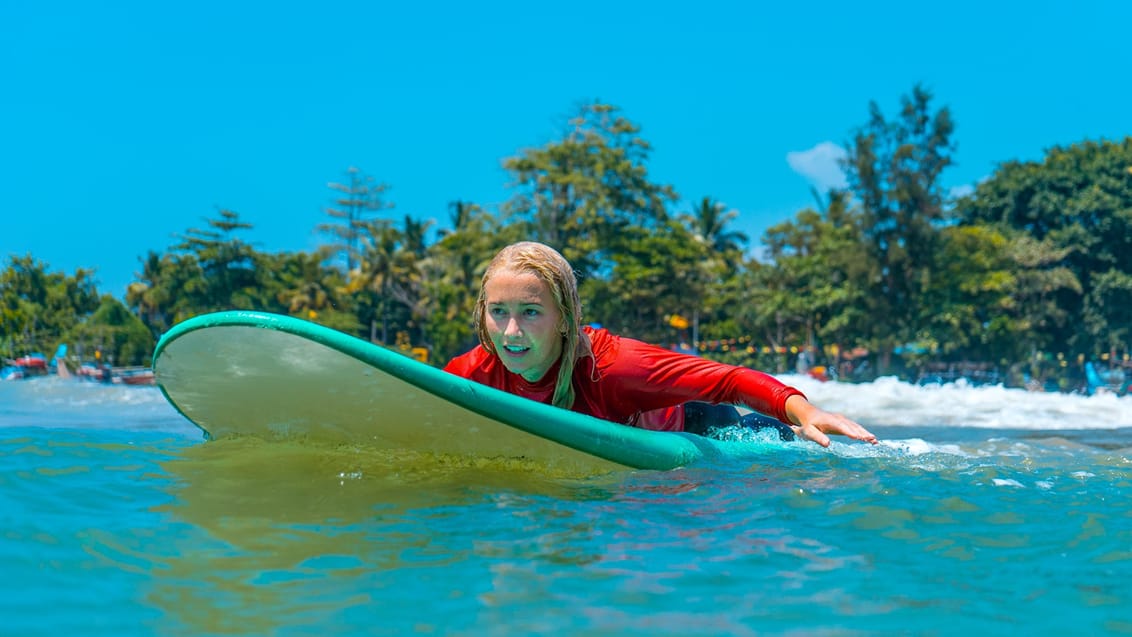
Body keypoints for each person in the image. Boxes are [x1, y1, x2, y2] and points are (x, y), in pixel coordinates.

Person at [443, 242, 878, 447]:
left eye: (531, 312)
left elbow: (727, 380)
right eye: (498, 311)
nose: (511, 332)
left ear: (565, 319)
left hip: (700, 426)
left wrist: (808, 410)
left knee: (767, 441)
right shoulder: (471, 372)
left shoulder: (613, 367)